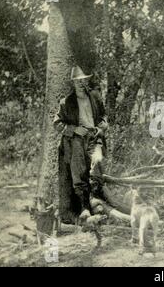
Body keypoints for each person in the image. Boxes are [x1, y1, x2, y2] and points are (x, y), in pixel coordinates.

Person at [53, 66, 108, 223]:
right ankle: (84, 207)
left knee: (97, 162)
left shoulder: (95, 97)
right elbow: (57, 123)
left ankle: (95, 201)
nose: (80, 83)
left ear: (85, 81)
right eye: (77, 81)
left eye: (82, 80)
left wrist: (100, 128)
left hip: (94, 136)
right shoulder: (67, 102)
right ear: (73, 83)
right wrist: (74, 129)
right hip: (76, 140)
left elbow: (104, 117)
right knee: (79, 172)